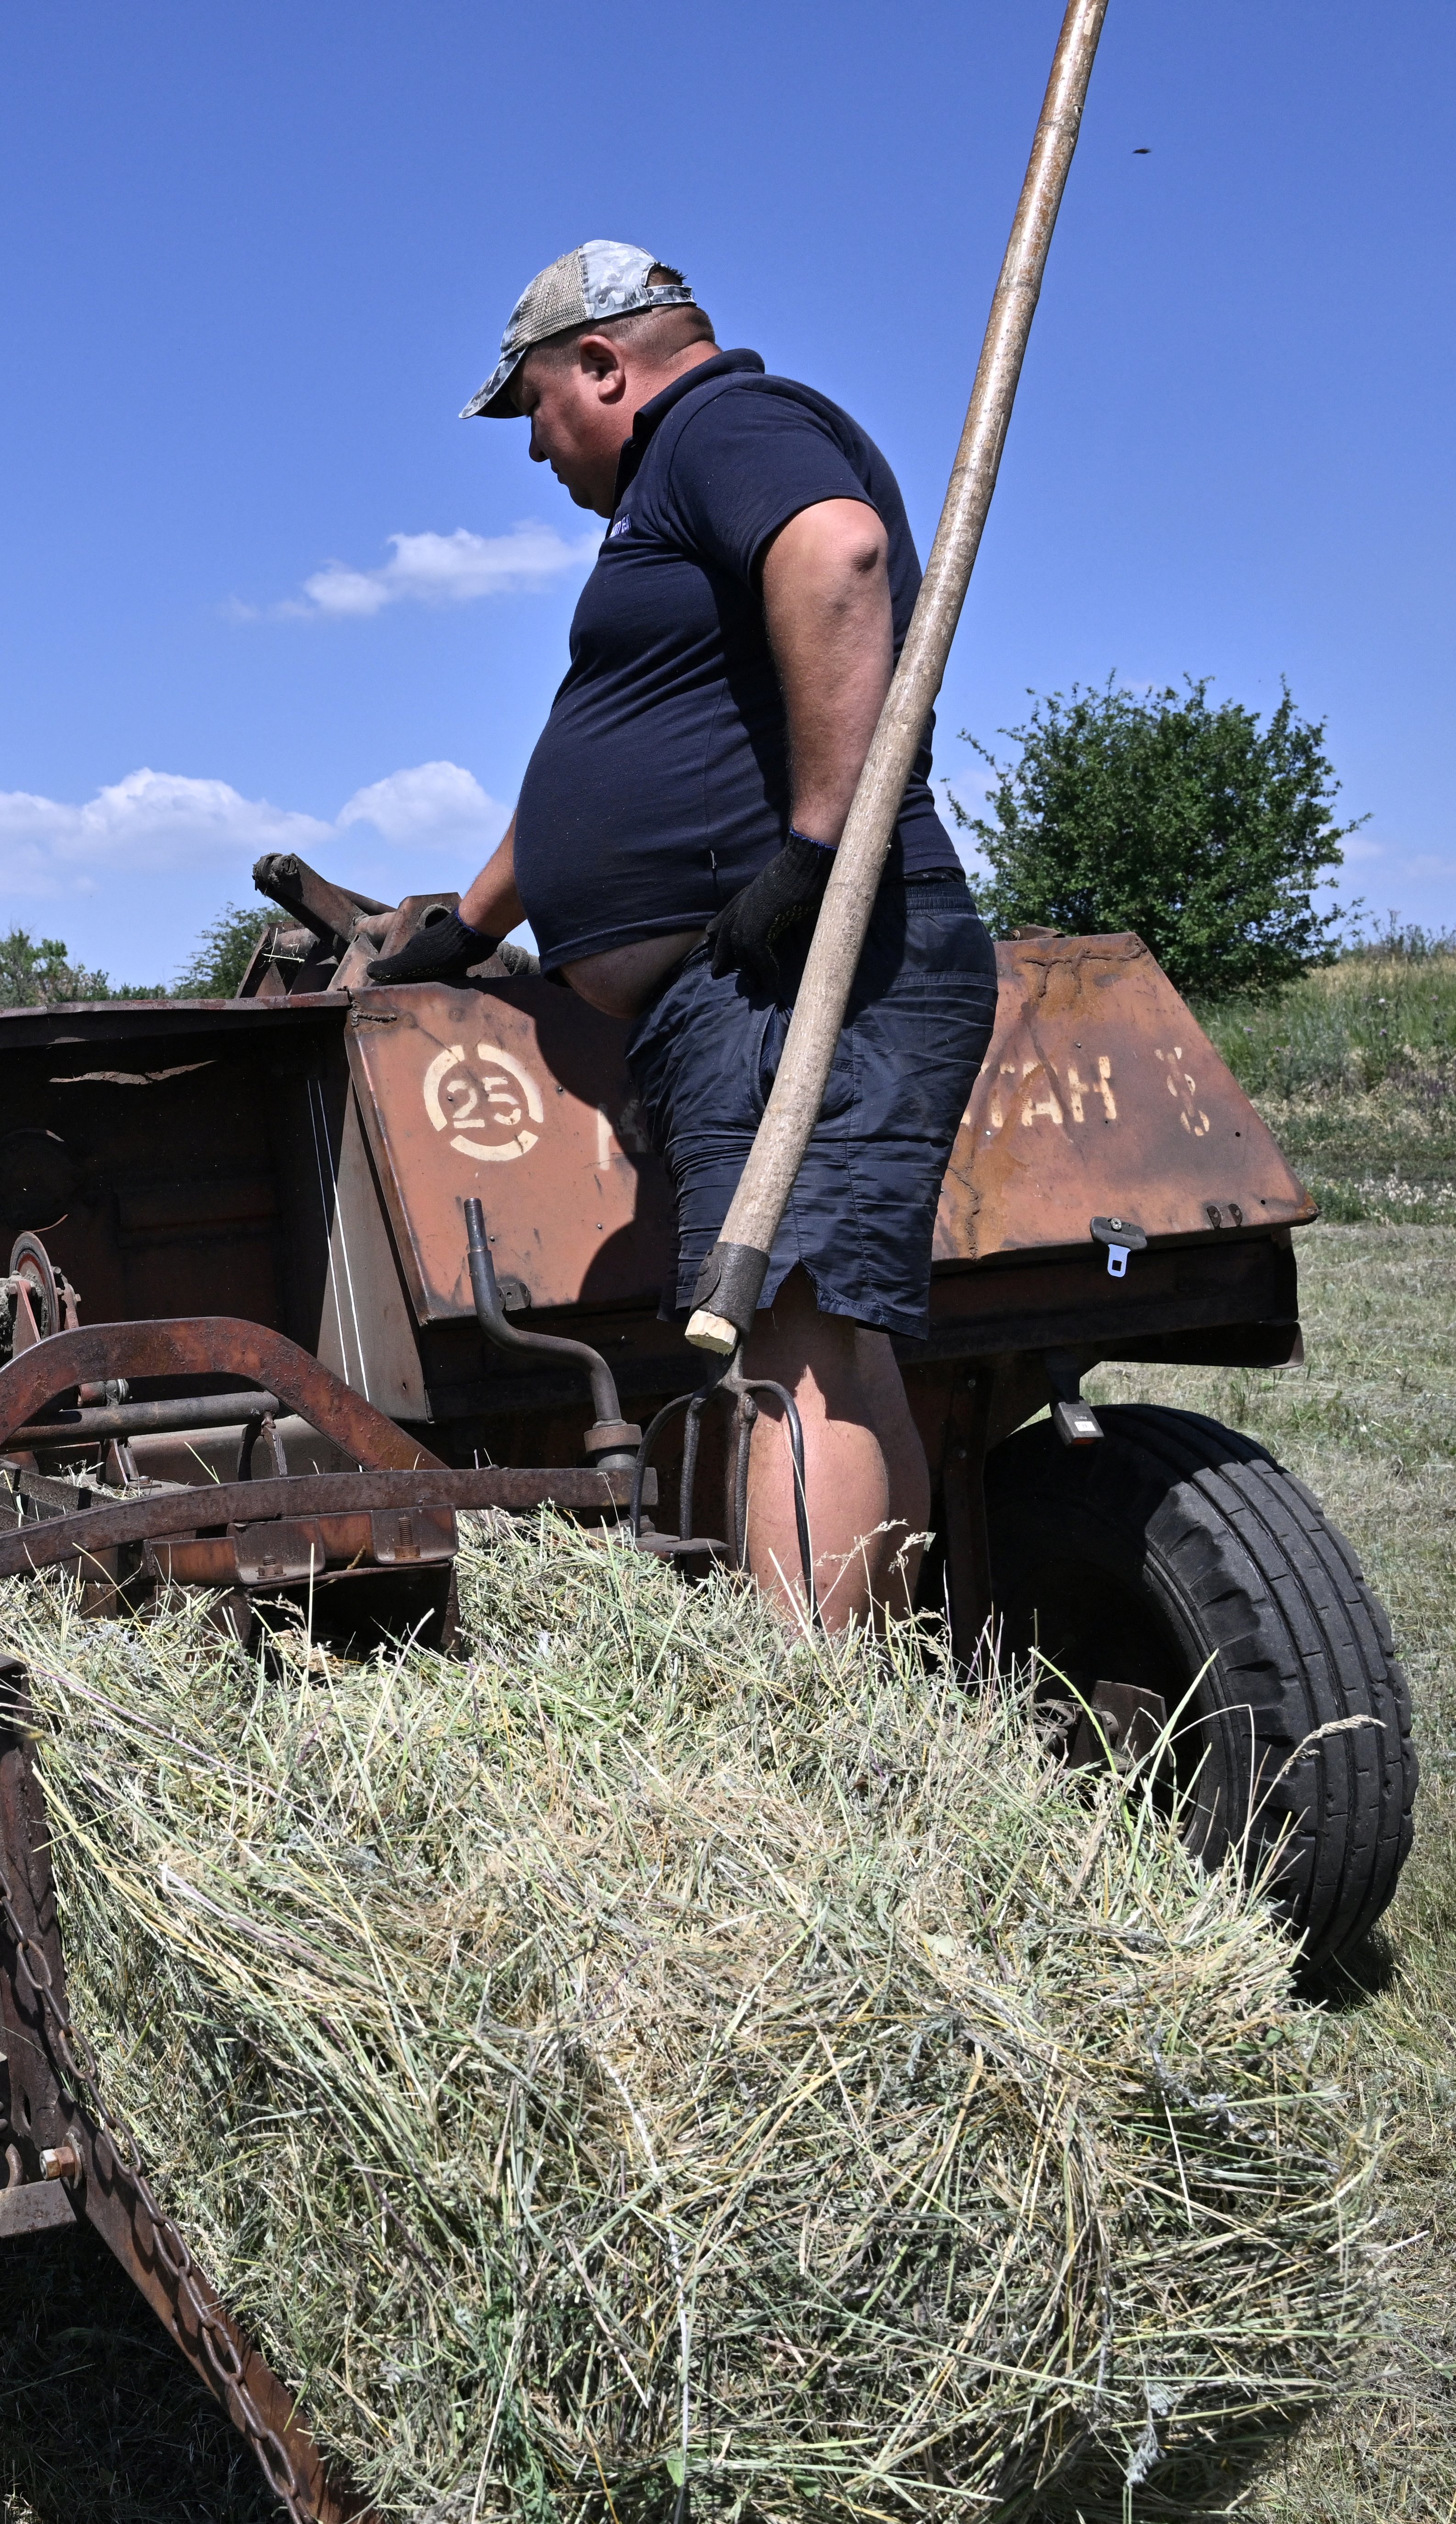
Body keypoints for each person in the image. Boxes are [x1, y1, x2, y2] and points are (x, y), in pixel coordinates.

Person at [361, 241, 997, 1627]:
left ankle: (813, 1722)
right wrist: (464, 930)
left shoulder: (726, 424)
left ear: (602, 364)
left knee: (791, 1341)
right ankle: (864, 1687)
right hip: (749, 987)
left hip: (808, 965)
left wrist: (821, 846)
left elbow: (842, 554)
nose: (534, 448)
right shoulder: (667, 504)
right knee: (817, 1326)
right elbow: (615, 762)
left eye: (533, 406)